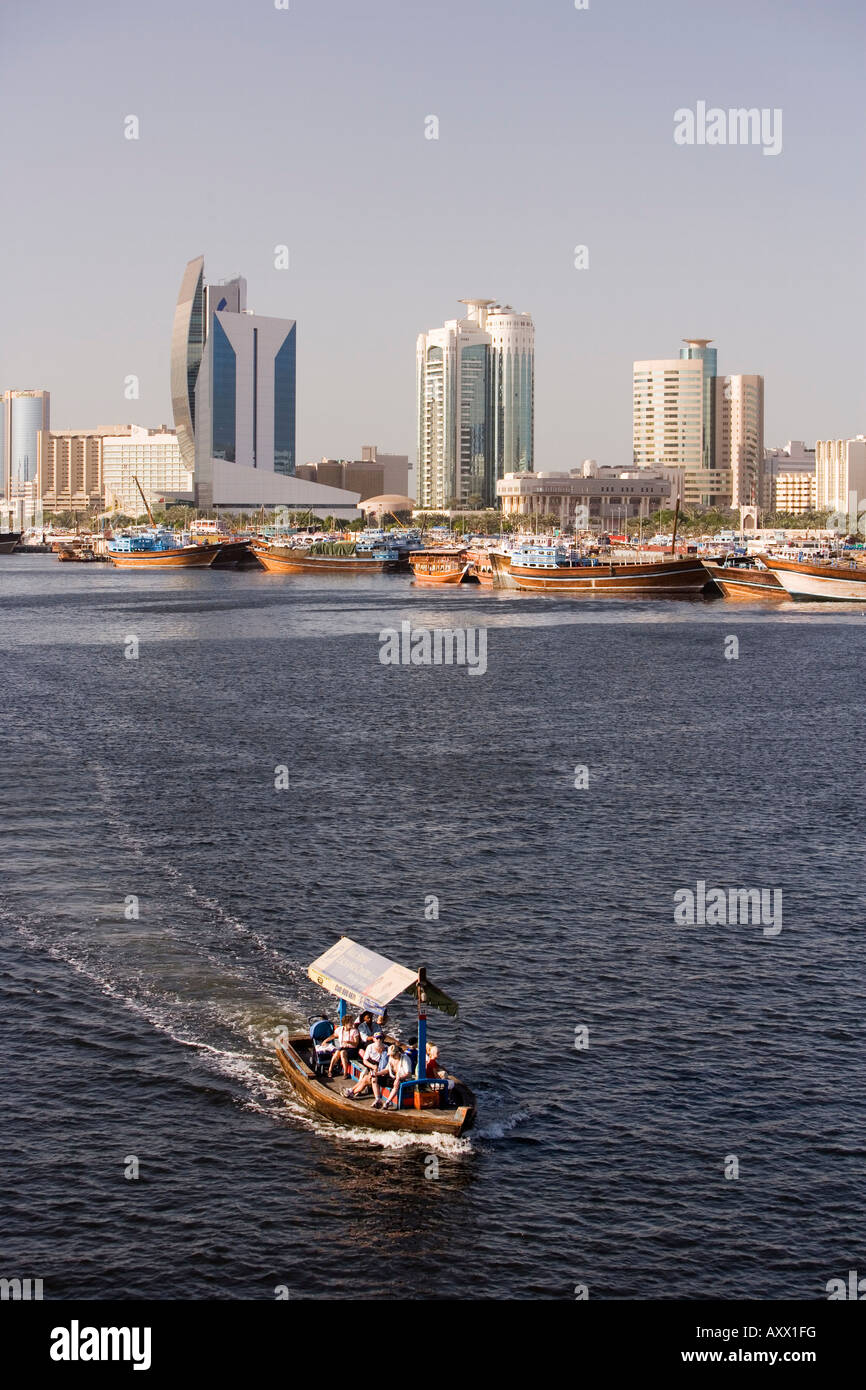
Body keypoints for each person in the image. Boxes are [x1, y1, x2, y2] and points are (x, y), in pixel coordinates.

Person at [347, 1032, 391, 1105]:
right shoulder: (370, 1047)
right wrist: (372, 1066)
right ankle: (351, 1091)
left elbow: (387, 1066)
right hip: (373, 1068)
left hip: (382, 1073)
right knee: (365, 1079)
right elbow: (365, 1060)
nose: (379, 1040)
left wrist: (377, 1071)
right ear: (374, 1039)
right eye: (377, 1038)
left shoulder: (386, 1049)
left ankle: (351, 1091)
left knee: (366, 1079)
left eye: (380, 1038)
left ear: (383, 1039)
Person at [382, 1044, 413, 1110]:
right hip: (392, 1077)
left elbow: (409, 1074)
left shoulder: (405, 1059)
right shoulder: (390, 1058)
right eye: (391, 1055)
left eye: (393, 1055)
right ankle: (377, 1099)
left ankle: (387, 1102)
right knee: (373, 1078)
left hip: (403, 1079)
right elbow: (386, 1070)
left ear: (397, 1053)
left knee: (397, 1083)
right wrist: (376, 1073)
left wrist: (399, 1078)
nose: (392, 1056)